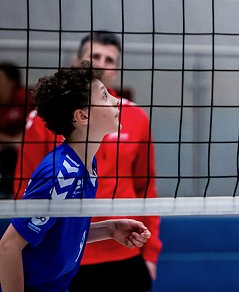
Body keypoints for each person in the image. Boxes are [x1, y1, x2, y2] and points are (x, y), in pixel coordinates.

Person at [14, 32, 161, 291]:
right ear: (78, 62)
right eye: (94, 56)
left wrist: (150, 253)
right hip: (67, 255)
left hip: (125, 251)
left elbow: (146, 188)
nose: (101, 64)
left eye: (109, 59)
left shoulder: (135, 116)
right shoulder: (42, 120)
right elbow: (24, 188)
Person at [0, 63, 28, 198]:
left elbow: (36, 125)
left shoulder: (24, 97)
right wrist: (13, 141)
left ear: (12, 82)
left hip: (24, 148)